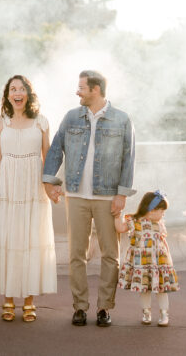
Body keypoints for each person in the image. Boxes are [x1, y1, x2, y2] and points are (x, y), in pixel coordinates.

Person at [43, 70, 136, 327]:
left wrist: (121, 194)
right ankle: (80, 308)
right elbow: (55, 149)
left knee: (110, 255)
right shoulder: (72, 117)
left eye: (81, 87)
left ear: (95, 90)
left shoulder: (122, 119)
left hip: (107, 197)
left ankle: (104, 308)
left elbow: (129, 159)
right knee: (76, 254)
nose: (77, 92)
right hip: (75, 196)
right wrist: (49, 181)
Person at [0, 75, 57, 322]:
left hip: (34, 191)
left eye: (21, 88)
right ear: (7, 95)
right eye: (12, 89)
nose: (17, 92)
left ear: (28, 94)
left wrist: (51, 188)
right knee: (10, 240)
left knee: (31, 242)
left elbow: (48, 160)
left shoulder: (42, 122)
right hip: (9, 190)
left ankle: (28, 301)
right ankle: (8, 299)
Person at [115, 190, 179, 327]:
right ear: (151, 210)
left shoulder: (159, 223)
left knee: (161, 289)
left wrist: (168, 261)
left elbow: (163, 242)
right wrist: (117, 216)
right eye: (161, 211)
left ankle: (164, 313)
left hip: (158, 263)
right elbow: (120, 228)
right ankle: (146, 312)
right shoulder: (134, 221)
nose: (163, 214)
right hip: (141, 264)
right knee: (144, 289)